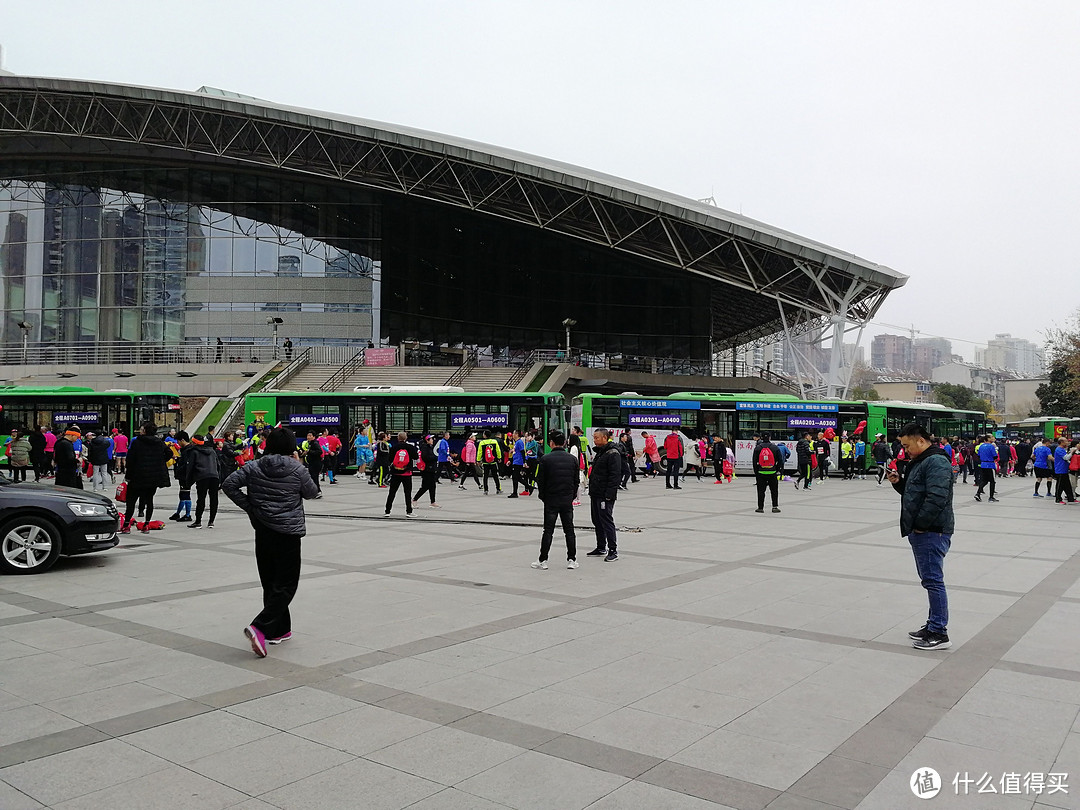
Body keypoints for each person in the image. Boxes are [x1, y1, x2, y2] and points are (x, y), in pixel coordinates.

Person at [222, 426, 319, 657]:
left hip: (263, 529)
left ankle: (279, 630)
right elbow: (312, 492)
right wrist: (301, 465)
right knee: (286, 584)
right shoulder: (296, 468)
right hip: (288, 532)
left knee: (270, 580)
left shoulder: (254, 465)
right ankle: (260, 627)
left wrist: (251, 508)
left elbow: (228, 485)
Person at [885, 422, 955, 651]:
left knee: (933, 581)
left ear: (921, 440)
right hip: (924, 530)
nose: (904, 450)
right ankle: (932, 624)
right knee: (929, 580)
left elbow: (937, 497)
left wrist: (921, 526)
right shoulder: (922, 460)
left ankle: (939, 633)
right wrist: (898, 483)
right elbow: (914, 492)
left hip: (931, 531)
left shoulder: (936, 461)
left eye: (907, 445)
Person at [531, 429, 578, 570]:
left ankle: (543, 560)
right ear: (564, 443)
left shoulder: (545, 459)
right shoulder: (572, 459)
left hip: (551, 500)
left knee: (548, 530)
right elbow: (575, 481)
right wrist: (571, 496)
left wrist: (544, 497)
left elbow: (541, 482)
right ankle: (572, 559)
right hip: (566, 500)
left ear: (551, 443)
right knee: (569, 530)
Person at [122, 423, 172, 534]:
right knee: (149, 500)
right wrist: (159, 461)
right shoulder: (159, 443)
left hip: (137, 476)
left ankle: (126, 525)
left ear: (144, 431)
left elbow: (130, 460)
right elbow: (169, 452)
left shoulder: (136, 442)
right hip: (152, 477)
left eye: (141, 429)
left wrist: (128, 475)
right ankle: (146, 524)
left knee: (131, 501)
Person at [585, 428, 621, 561]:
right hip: (595, 493)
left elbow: (615, 476)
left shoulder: (613, 453)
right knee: (597, 520)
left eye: (596, 438)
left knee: (606, 521)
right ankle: (601, 547)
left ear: (605, 438)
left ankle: (613, 550)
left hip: (605, 495)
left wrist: (610, 494)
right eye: (594, 437)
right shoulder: (601, 452)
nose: (594, 440)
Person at [186, 434, 222, 529]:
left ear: (195, 442)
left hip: (202, 477)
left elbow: (191, 468)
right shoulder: (212, 451)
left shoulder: (194, 452)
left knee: (201, 499)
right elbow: (218, 465)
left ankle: (198, 521)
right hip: (214, 476)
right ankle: (211, 521)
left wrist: (188, 482)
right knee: (214, 499)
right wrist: (218, 477)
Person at [385, 431, 418, 516]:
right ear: (406, 438)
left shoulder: (394, 447)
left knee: (392, 492)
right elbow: (416, 457)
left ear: (398, 438)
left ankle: (387, 511)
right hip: (406, 473)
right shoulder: (410, 447)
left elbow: (390, 459)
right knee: (407, 493)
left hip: (395, 473)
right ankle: (409, 511)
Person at [752, 433, 781, 513]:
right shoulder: (775, 447)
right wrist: (776, 469)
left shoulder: (758, 448)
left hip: (761, 472)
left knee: (761, 491)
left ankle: (760, 508)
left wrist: (756, 472)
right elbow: (780, 461)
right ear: (770, 437)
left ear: (761, 438)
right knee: (774, 490)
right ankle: (774, 507)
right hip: (772, 472)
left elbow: (754, 461)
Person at [169, 432, 194, 522]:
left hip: (185, 476)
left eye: (178, 441)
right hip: (184, 475)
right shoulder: (186, 449)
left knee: (186, 494)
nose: (178, 443)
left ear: (182, 440)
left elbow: (187, 464)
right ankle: (178, 513)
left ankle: (188, 515)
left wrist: (180, 469)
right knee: (182, 494)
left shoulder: (188, 450)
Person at [412, 435, 441, 508]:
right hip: (427, 470)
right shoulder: (425, 447)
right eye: (431, 439)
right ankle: (414, 499)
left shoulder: (429, 447)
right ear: (427, 440)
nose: (432, 440)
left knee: (432, 486)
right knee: (425, 486)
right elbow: (425, 457)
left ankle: (433, 502)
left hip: (431, 469)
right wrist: (435, 458)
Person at [53, 424, 83, 489]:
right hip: (68, 473)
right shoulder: (67, 444)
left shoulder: (59, 442)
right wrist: (78, 460)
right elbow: (70, 458)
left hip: (60, 471)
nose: (76, 440)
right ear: (72, 435)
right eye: (76, 437)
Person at [974, 434, 999, 502]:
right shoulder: (991, 446)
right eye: (991, 437)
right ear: (988, 439)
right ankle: (991, 497)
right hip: (990, 464)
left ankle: (978, 493)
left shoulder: (981, 446)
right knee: (992, 481)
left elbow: (978, 455)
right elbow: (995, 456)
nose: (993, 438)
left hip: (983, 464)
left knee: (984, 480)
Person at [477, 430, 502, 494]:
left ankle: (486, 490)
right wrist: (499, 458)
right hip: (493, 461)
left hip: (485, 462)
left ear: (485, 435)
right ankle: (498, 489)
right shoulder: (494, 441)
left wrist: (478, 460)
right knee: (495, 476)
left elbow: (479, 452)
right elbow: (498, 450)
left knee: (485, 476)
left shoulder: (482, 443)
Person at [1053, 437, 1077, 504]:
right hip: (1060, 469)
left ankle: (1071, 498)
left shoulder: (1063, 449)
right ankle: (1058, 499)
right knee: (1060, 485)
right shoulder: (1059, 449)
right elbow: (1066, 457)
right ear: (1061, 442)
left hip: (1064, 469)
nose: (1067, 443)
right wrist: (1071, 452)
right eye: (1066, 441)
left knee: (1067, 485)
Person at [508, 430, 529, 498]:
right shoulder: (516, 442)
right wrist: (510, 460)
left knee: (515, 477)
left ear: (517, 434)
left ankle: (515, 493)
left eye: (514, 433)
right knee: (518, 477)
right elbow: (515, 452)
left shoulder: (519, 442)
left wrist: (524, 462)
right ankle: (529, 487)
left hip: (518, 462)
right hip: (515, 460)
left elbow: (522, 452)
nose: (512, 435)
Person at [303, 431, 323, 496]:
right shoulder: (310, 443)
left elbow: (319, 451)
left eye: (310, 436)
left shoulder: (315, 443)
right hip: (312, 463)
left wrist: (309, 451)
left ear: (314, 437)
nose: (308, 437)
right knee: (313, 477)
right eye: (308, 435)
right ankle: (316, 491)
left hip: (316, 463)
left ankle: (317, 491)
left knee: (314, 477)